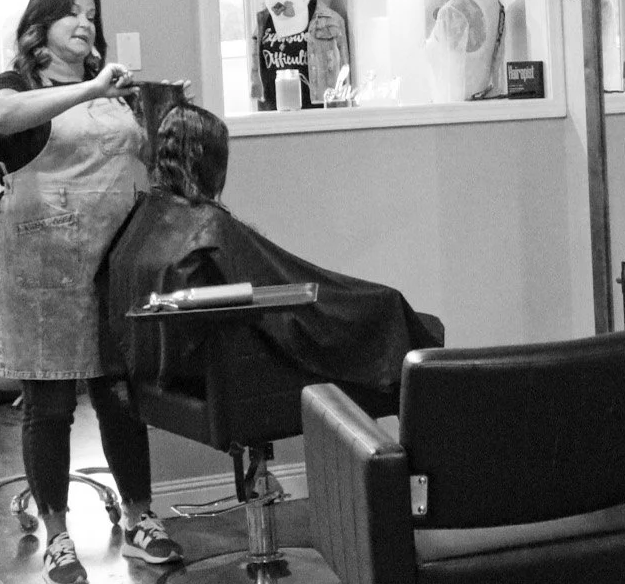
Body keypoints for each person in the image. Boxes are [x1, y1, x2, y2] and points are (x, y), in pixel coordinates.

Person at [0, 0, 175, 584]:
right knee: (51, 405)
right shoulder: (17, 88)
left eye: (92, 14)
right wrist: (88, 89)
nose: (85, 23)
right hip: (44, 269)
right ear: (39, 27)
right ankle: (59, 535)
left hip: (115, 265)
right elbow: (0, 118)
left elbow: (148, 155)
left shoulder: (115, 94)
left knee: (120, 396)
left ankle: (142, 520)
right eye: (71, 14)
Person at [100, 103, 445, 400]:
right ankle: (425, 460)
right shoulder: (209, 227)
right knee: (391, 313)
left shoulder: (147, 217)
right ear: (210, 162)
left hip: (181, 378)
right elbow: (284, 303)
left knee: (395, 318)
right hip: (240, 371)